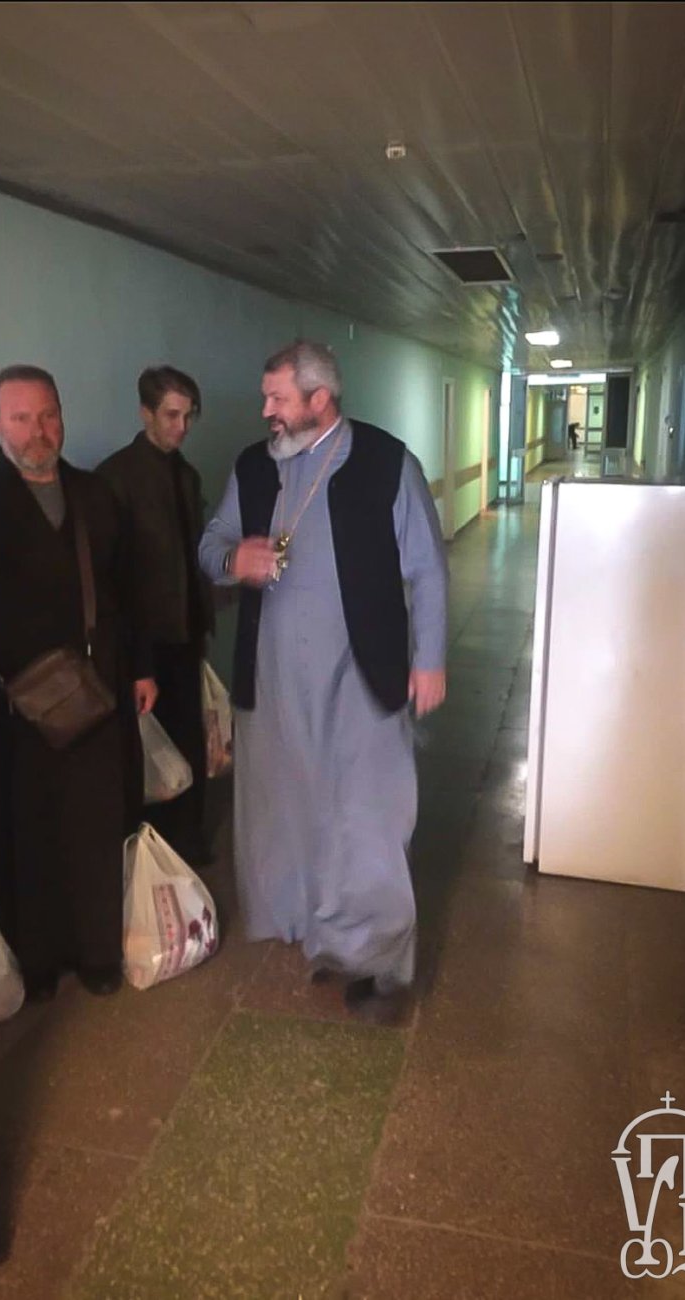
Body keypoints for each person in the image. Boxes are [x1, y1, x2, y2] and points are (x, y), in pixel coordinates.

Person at [199, 340, 448, 1023]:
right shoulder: (253, 466)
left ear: (320, 399)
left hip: (362, 674)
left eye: (278, 398)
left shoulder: (385, 462)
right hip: (275, 679)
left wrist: (428, 658)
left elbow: (427, 568)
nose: (265, 411)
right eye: (266, 397)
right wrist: (234, 560)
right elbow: (209, 544)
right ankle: (328, 939)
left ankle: (382, 966)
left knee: (368, 816)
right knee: (294, 816)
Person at [0, 366, 156, 1001]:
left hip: (94, 692)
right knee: (21, 831)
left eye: (47, 415)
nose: (37, 431)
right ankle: (34, 960)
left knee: (93, 823)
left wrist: (142, 667)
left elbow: (127, 592)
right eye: (20, 418)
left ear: (62, 417)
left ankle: (98, 952)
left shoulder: (97, 497)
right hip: (5, 703)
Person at [97, 366, 215, 865]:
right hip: (142, 639)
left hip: (184, 633)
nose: (182, 427)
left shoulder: (186, 475)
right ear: (146, 413)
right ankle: (152, 855)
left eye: (188, 416)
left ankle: (186, 844)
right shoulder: (115, 478)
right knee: (146, 751)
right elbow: (115, 577)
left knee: (187, 741)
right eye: (171, 415)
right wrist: (136, 658)